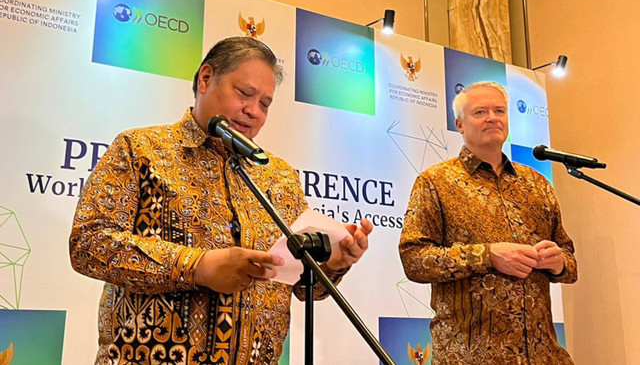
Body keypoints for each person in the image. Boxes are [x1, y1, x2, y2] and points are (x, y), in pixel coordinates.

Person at [69, 37, 373, 365]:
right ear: (205, 79)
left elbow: (301, 287)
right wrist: (196, 267)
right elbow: (88, 245)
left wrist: (332, 265)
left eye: (266, 103)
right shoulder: (140, 148)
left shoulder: (279, 176)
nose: (253, 111)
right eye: (244, 94)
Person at [398, 81, 577, 364]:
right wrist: (488, 255)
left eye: (499, 111)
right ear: (459, 124)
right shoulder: (435, 182)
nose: (492, 117)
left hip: (545, 356)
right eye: (480, 112)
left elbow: (569, 259)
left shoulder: (537, 184)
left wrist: (559, 263)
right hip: (470, 357)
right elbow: (414, 259)